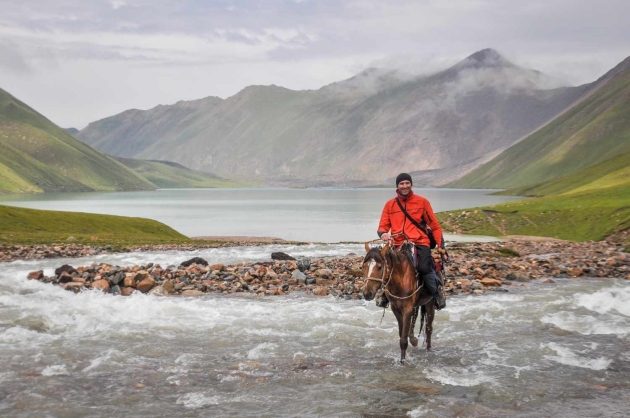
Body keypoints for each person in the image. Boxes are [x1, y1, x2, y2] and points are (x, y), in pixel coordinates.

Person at [377, 173, 446, 310]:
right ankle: (384, 294)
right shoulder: (390, 205)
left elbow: (435, 225)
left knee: (424, 267)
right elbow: (382, 226)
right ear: (397, 186)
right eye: (401, 183)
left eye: (407, 183)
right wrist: (384, 234)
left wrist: (440, 244)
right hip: (397, 244)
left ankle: (437, 293)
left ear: (411, 184)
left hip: (419, 242)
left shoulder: (422, 202)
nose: (405, 186)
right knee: (384, 266)